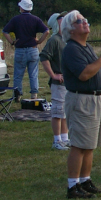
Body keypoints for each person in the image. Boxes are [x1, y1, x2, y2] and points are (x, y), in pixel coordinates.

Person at [59, 10, 101, 199]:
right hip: (81, 100)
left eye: (85, 20)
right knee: (79, 145)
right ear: (70, 30)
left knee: (89, 144)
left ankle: (85, 180)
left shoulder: (85, 46)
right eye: (79, 22)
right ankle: (73, 186)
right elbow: (84, 74)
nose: (85, 23)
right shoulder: (71, 49)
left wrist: (100, 59)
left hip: (94, 98)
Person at [3, 0, 49, 98]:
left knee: (18, 75)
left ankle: (17, 95)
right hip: (33, 49)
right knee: (33, 74)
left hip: (20, 50)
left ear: (22, 8)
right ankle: (34, 95)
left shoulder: (16, 19)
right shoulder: (36, 19)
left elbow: (5, 31)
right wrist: (39, 41)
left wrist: (12, 42)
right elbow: (46, 31)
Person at [39, 12, 70, 150]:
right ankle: (56, 141)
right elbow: (44, 57)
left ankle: (65, 138)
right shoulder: (54, 40)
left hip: (68, 82)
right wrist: (53, 75)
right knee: (57, 112)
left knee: (65, 112)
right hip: (59, 83)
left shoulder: (67, 39)